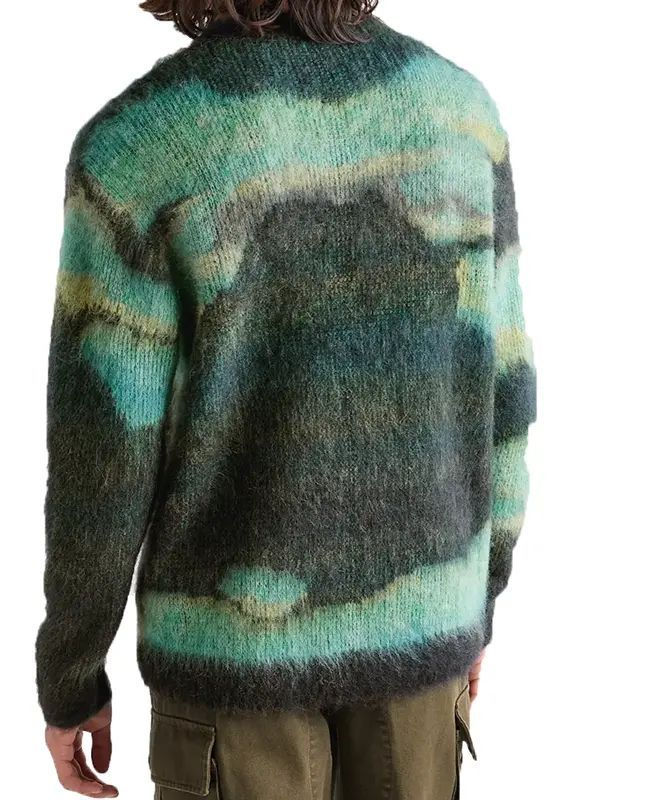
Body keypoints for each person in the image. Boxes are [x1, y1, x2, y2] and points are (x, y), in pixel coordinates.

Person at [36, 2, 536, 797]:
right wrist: (479, 601)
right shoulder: (460, 116)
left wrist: (71, 674)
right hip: (423, 635)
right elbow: (504, 392)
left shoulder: (139, 148)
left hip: (233, 662)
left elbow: (103, 457)